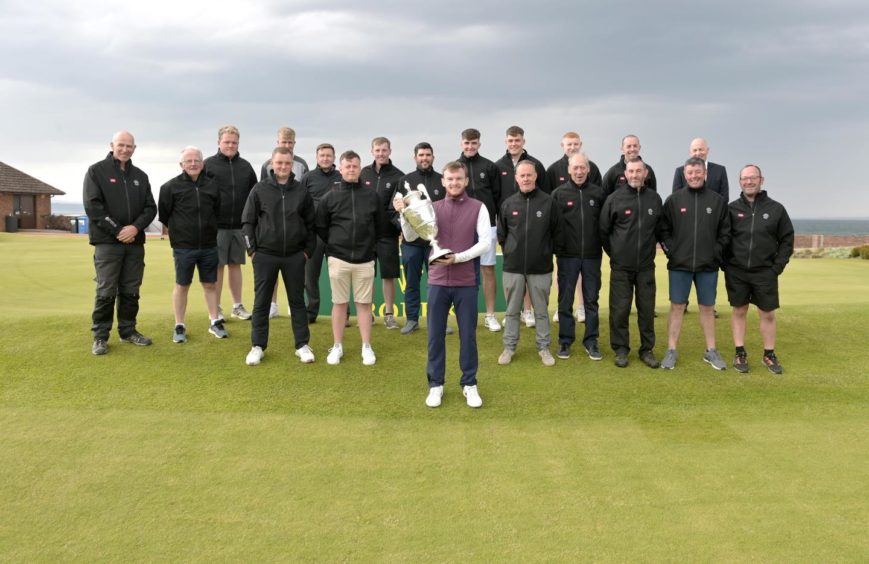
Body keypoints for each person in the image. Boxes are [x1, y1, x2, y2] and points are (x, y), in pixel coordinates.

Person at [395, 162, 490, 408]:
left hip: (466, 282)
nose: (454, 183)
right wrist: (404, 214)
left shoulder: (479, 208)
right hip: (437, 282)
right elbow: (414, 236)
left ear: (466, 181)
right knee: (435, 337)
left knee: (468, 336)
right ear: (443, 181)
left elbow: (486, 244)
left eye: (458, 179)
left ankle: (469, 384)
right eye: (449, 179)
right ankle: (435, 385)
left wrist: (457, 258)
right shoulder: (432, 207)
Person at [83, 130, 157, 355]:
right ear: (112, 145)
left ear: (134, 148)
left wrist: (135, 228)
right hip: (107, 242)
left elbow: (150, 207)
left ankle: (128, 331)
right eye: (121, 145)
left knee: (131, 289)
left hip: (134, 243)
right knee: (106, 289)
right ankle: (100, 336)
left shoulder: (140, 176)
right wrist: (118, 230)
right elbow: (93, 206)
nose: (125, 149)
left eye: (129, 146)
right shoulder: (97, 171)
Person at [242, 147, 317, 366]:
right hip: (265, 255)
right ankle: (257, 346)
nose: (283, 167)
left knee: (297, 302)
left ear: (292, 164)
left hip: (295, 255)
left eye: (287, 163)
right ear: (272, 164)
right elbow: (247, 222)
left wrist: (306, 252)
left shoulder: (301, 191)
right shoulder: (259, 189)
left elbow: (311, 225)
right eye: (279, 163)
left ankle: (302, 345)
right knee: (261, 302)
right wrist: (252, 250)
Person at [659, 157, 730, 370]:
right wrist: (672, 252)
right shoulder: (673, 200)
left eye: (698, 172)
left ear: (704, 174)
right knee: (677, 306)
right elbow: (663, 230)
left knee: (707, 308)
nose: (694, 176)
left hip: (707, 266)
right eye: (690, 173)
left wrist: (715, 254)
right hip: (680, 265)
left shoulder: (717, 201)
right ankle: (671, 350)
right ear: (684, 175)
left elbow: (725, 233)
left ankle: (711, 351)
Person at [316, 150, 385, 366]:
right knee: (340, 304)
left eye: (355, 166)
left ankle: (366, 346)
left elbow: (380, 227)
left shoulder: (371, 195)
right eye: (347, 166)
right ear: (341, 168)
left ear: (359, 167)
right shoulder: (331, 195)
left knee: (364, 304)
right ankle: (337, 346)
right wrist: (333, 249)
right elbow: (321, 226)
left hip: (365, 259)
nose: (351, 170)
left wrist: (371, 251)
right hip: (339, 258)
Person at [724, 165, 794, 374]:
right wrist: (726, 264)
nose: (749, 182)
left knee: (767, 313)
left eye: (753, 178)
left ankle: (769, 354)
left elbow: (787, 240)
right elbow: (723, 238)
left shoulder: (776, 209)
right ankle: (739, 352)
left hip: (765, 271)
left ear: (761, 180)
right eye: (744, 178)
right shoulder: (731, 209)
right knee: (739, 311)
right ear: (740, 182)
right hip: (737, 271)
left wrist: (776, 267)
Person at [599, 157, 664, 368]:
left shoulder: (654, 199)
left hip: (646, 266)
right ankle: (621, 350)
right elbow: (603, 231)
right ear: (625, 174)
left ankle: (647, 350)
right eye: (631, 171)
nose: (635, 175)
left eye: (639, 171)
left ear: (645, 173)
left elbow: (659, 230)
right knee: (619, 310)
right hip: (621, 267)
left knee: (646, 310)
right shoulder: (614, 199)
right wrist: (616, 254)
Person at [157, 146, 226, 343]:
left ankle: (214, 321)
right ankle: (179, 325)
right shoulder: (169, 187)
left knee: (210, 284)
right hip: (183, 247)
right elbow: (164, 215)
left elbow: (217, 212)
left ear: (202, 163)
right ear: (181, 165)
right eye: (189, 161)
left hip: (208, 245)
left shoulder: (212, 186)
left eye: (197, 160)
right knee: (182, 285)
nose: (193, 164)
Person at [497, 161, 561, 366]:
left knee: (541, 311)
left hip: (540, 267)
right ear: (516, 178)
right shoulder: (508, 204)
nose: (525, 179)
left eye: (529, 175)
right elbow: (502, 235)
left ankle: (543, 348)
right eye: (522, 175)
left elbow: (557, 233)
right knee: (512, 310)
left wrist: (543, 253)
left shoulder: (548, 202)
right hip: (513, 267)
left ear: (535, 176)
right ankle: (509, 347)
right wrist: (511, 252)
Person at [550, 153, 605, 361]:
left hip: (592, 256)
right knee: (565, 300)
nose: (579, 172)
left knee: (591, 300)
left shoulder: (598, 194)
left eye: (583, 168)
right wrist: (558, 248)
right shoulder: (558, 194)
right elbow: (553, 226)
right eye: (575, 168)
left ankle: (591, 341)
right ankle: (565, 340)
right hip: (567, 256)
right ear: (569, 170)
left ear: (588, 169)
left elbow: (605, 224)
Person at [546, 132, 603, 325]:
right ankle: (563, 322)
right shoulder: (554, 170)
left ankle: (582, 308)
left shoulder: (593, 170)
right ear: (563, 145)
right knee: (564, 284)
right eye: (569, 144)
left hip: (590, 248)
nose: (572, 147)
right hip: (566, 246)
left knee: (590, 292)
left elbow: (598, 208)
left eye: (575, 144)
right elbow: (550, 211)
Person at [494, 125, 548, 327]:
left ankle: (528, 311)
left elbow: (545, 197)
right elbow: (495, 196)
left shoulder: (536, 165)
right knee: (514, 273)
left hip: (533, 229)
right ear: (506, 141)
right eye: (510, 140)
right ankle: (513, 313)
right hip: (509, 228)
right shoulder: (498, 166)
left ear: (523, 141)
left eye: (517, 140)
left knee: (530, 271)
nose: (514, 143)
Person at [204, 125, 258, 321]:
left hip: (239, 225)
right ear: (219, 142)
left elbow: (255, 195)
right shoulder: (208, 165)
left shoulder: (245, 166)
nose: (230, 145)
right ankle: (216, 308)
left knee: (235, 265)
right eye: (227, 142)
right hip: (216, 226)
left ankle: (237, 306)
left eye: (234, 142)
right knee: (218, 266)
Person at [393, 142, 444, 335]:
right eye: (421, 155)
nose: (424, 158)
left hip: (435, 244)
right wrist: (404, 227)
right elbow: (394, 210)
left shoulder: (442, 180)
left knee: (438, 284)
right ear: (415, 157)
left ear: (433, 157)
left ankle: (438, 321)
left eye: (428, 155)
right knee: (412, 283)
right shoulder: (404, 181)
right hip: (411, 244)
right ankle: (412, 319)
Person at [457, 128, 502, 332]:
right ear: (461, 144)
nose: (470, 146)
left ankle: (490, 315)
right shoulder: (455, 168)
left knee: (488, 269)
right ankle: (467, 316)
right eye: (466, 143)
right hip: (462, 227)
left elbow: (498, 197)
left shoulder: (489, 166)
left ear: (479, 144)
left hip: (488, 227)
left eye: (473, 143)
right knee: (464, 272)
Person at [360, 137, 404, 329]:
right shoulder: (364, 173)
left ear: (389, 151)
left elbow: (397, 207)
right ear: (372, 152)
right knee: (367, 275)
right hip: (367, 235)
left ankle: (388, 315)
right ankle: (367, 314)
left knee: (388, 276)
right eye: (377, 150)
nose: (381, 153)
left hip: (388, 235)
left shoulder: (398, 176)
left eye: (384, 150)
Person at [299, 143, 341, 324]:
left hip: (336, 234)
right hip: (313, 234)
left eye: (328, 155)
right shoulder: (308, 178)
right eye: (322, 155)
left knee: (339, 275)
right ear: (317, 157)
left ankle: (343, 314)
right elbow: (300, 203)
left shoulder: (341, 177)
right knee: (310, 276)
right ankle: (311, 312)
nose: (325, 158)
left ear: (333, 157)